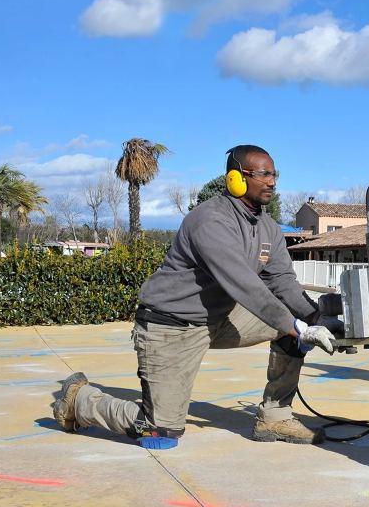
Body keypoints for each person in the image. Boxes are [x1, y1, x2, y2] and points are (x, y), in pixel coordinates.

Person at [52, 144, 342, 448]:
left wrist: (314, 319)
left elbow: (282, 282)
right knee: (160, 433)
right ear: (236, 178)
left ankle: (275, 418)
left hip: (221, 317)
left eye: (274, 174)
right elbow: (245, 286)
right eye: (262, 174)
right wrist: (296, 325)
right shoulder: (211, 220)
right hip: (171, 325)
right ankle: (79, 400)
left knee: (293, 331)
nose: (271, 181)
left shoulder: (268, 228)